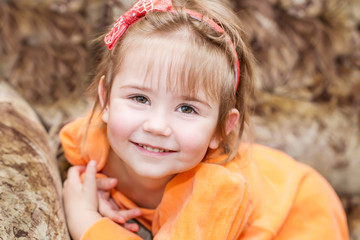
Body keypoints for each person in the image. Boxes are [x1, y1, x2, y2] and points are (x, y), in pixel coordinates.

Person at [60, 0, 349, 239]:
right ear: (106, 100)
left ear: (221, 130)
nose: (156, 126)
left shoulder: (217, 189)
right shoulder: (88, 138)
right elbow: (75, 158)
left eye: (187, 108)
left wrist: (85, 219)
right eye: (140, 99)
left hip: (299, 212)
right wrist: (87, 181)